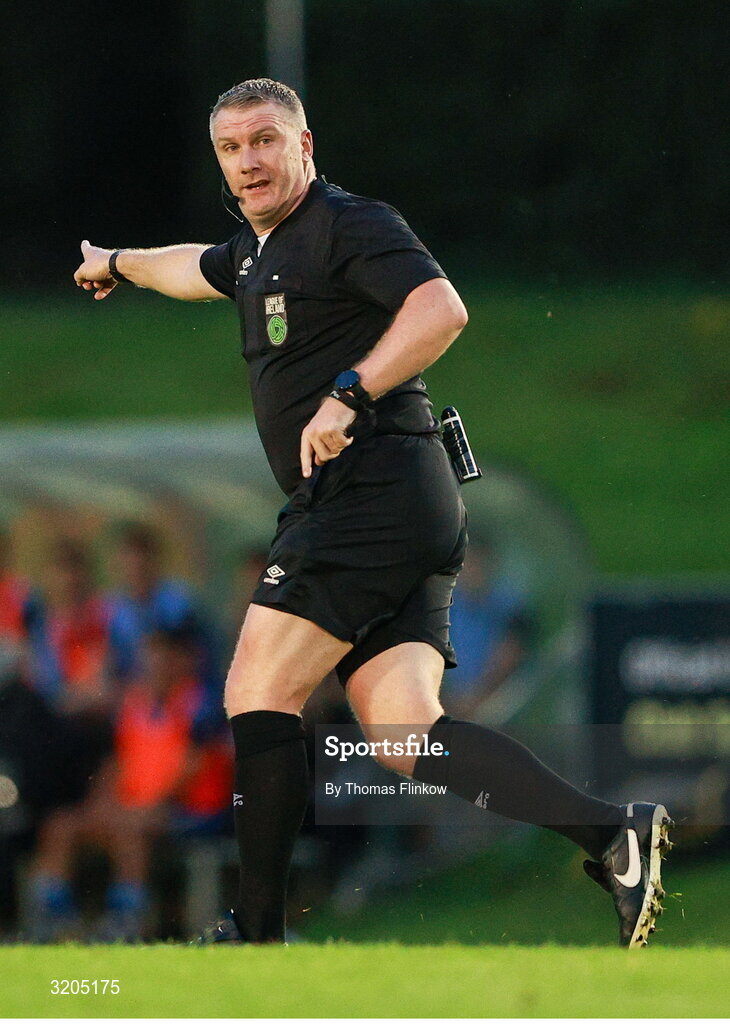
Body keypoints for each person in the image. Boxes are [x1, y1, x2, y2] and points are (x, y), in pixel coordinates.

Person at [74, 77, 672, 949]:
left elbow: (442, 308)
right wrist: (118, 263)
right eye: (232, 149)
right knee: (405, 735)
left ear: (305, 145)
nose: (249, 161)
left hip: (370, 491)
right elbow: (193, 268)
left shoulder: (349, 223)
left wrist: (350, 392)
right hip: (403, 503)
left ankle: (256, 934)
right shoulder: (252, 250)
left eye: (265, 141)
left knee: (255, 688)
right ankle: (611, 833)